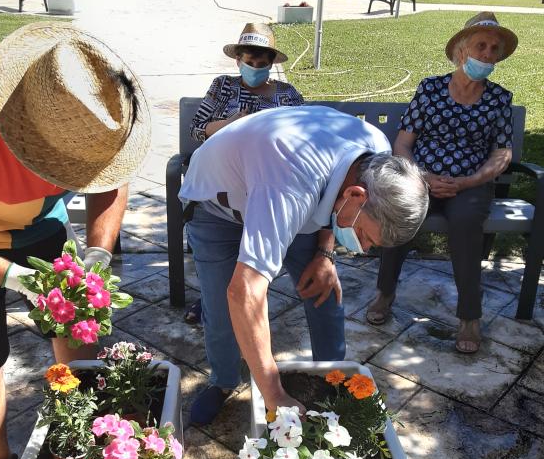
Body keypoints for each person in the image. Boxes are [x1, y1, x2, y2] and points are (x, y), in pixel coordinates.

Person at [0, 22, 150, 459]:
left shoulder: (97, 104)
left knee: (78, 329)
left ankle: (72, 420)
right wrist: (14, 277)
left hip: (39, 224)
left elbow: (111, 180)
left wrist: (98, 252)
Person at [179, 105, 430, 426]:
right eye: (367, 236)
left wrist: (325, 253)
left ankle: (334, 379)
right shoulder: (290, 183)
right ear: (357, 196)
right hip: (218, 203)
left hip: (276, 182)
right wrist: (274, 393)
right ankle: (223, 381)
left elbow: (336, 186)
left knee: (324, 287)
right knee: (221, 308)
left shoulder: (379, 155)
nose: (364, 249)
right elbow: (245, 293)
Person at [366, 12, 517, 354]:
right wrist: (420, 176)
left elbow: (503, 154)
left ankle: (469, 317)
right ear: (462, 50)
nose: (488, 53)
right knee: (400, 211)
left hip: (472, 182)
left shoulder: (499, 98)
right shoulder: (431, 88)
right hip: (422, 176)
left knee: (465, 222)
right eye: (481, 45)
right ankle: (385, 292)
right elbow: (403, 142)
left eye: (495, 48)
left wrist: (467, 182)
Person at [185, 23, 304, 324]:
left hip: (270, 178)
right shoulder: (223, 86)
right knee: (222, 230)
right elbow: (197, 129)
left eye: (261, 64)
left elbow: (303, 136)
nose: (254, 69)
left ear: (271, 65)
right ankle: (215, 297)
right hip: (226, 176)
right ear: (238, 60)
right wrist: (230, 124)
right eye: (249, 63)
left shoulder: (287, 94)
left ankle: (249, 292)